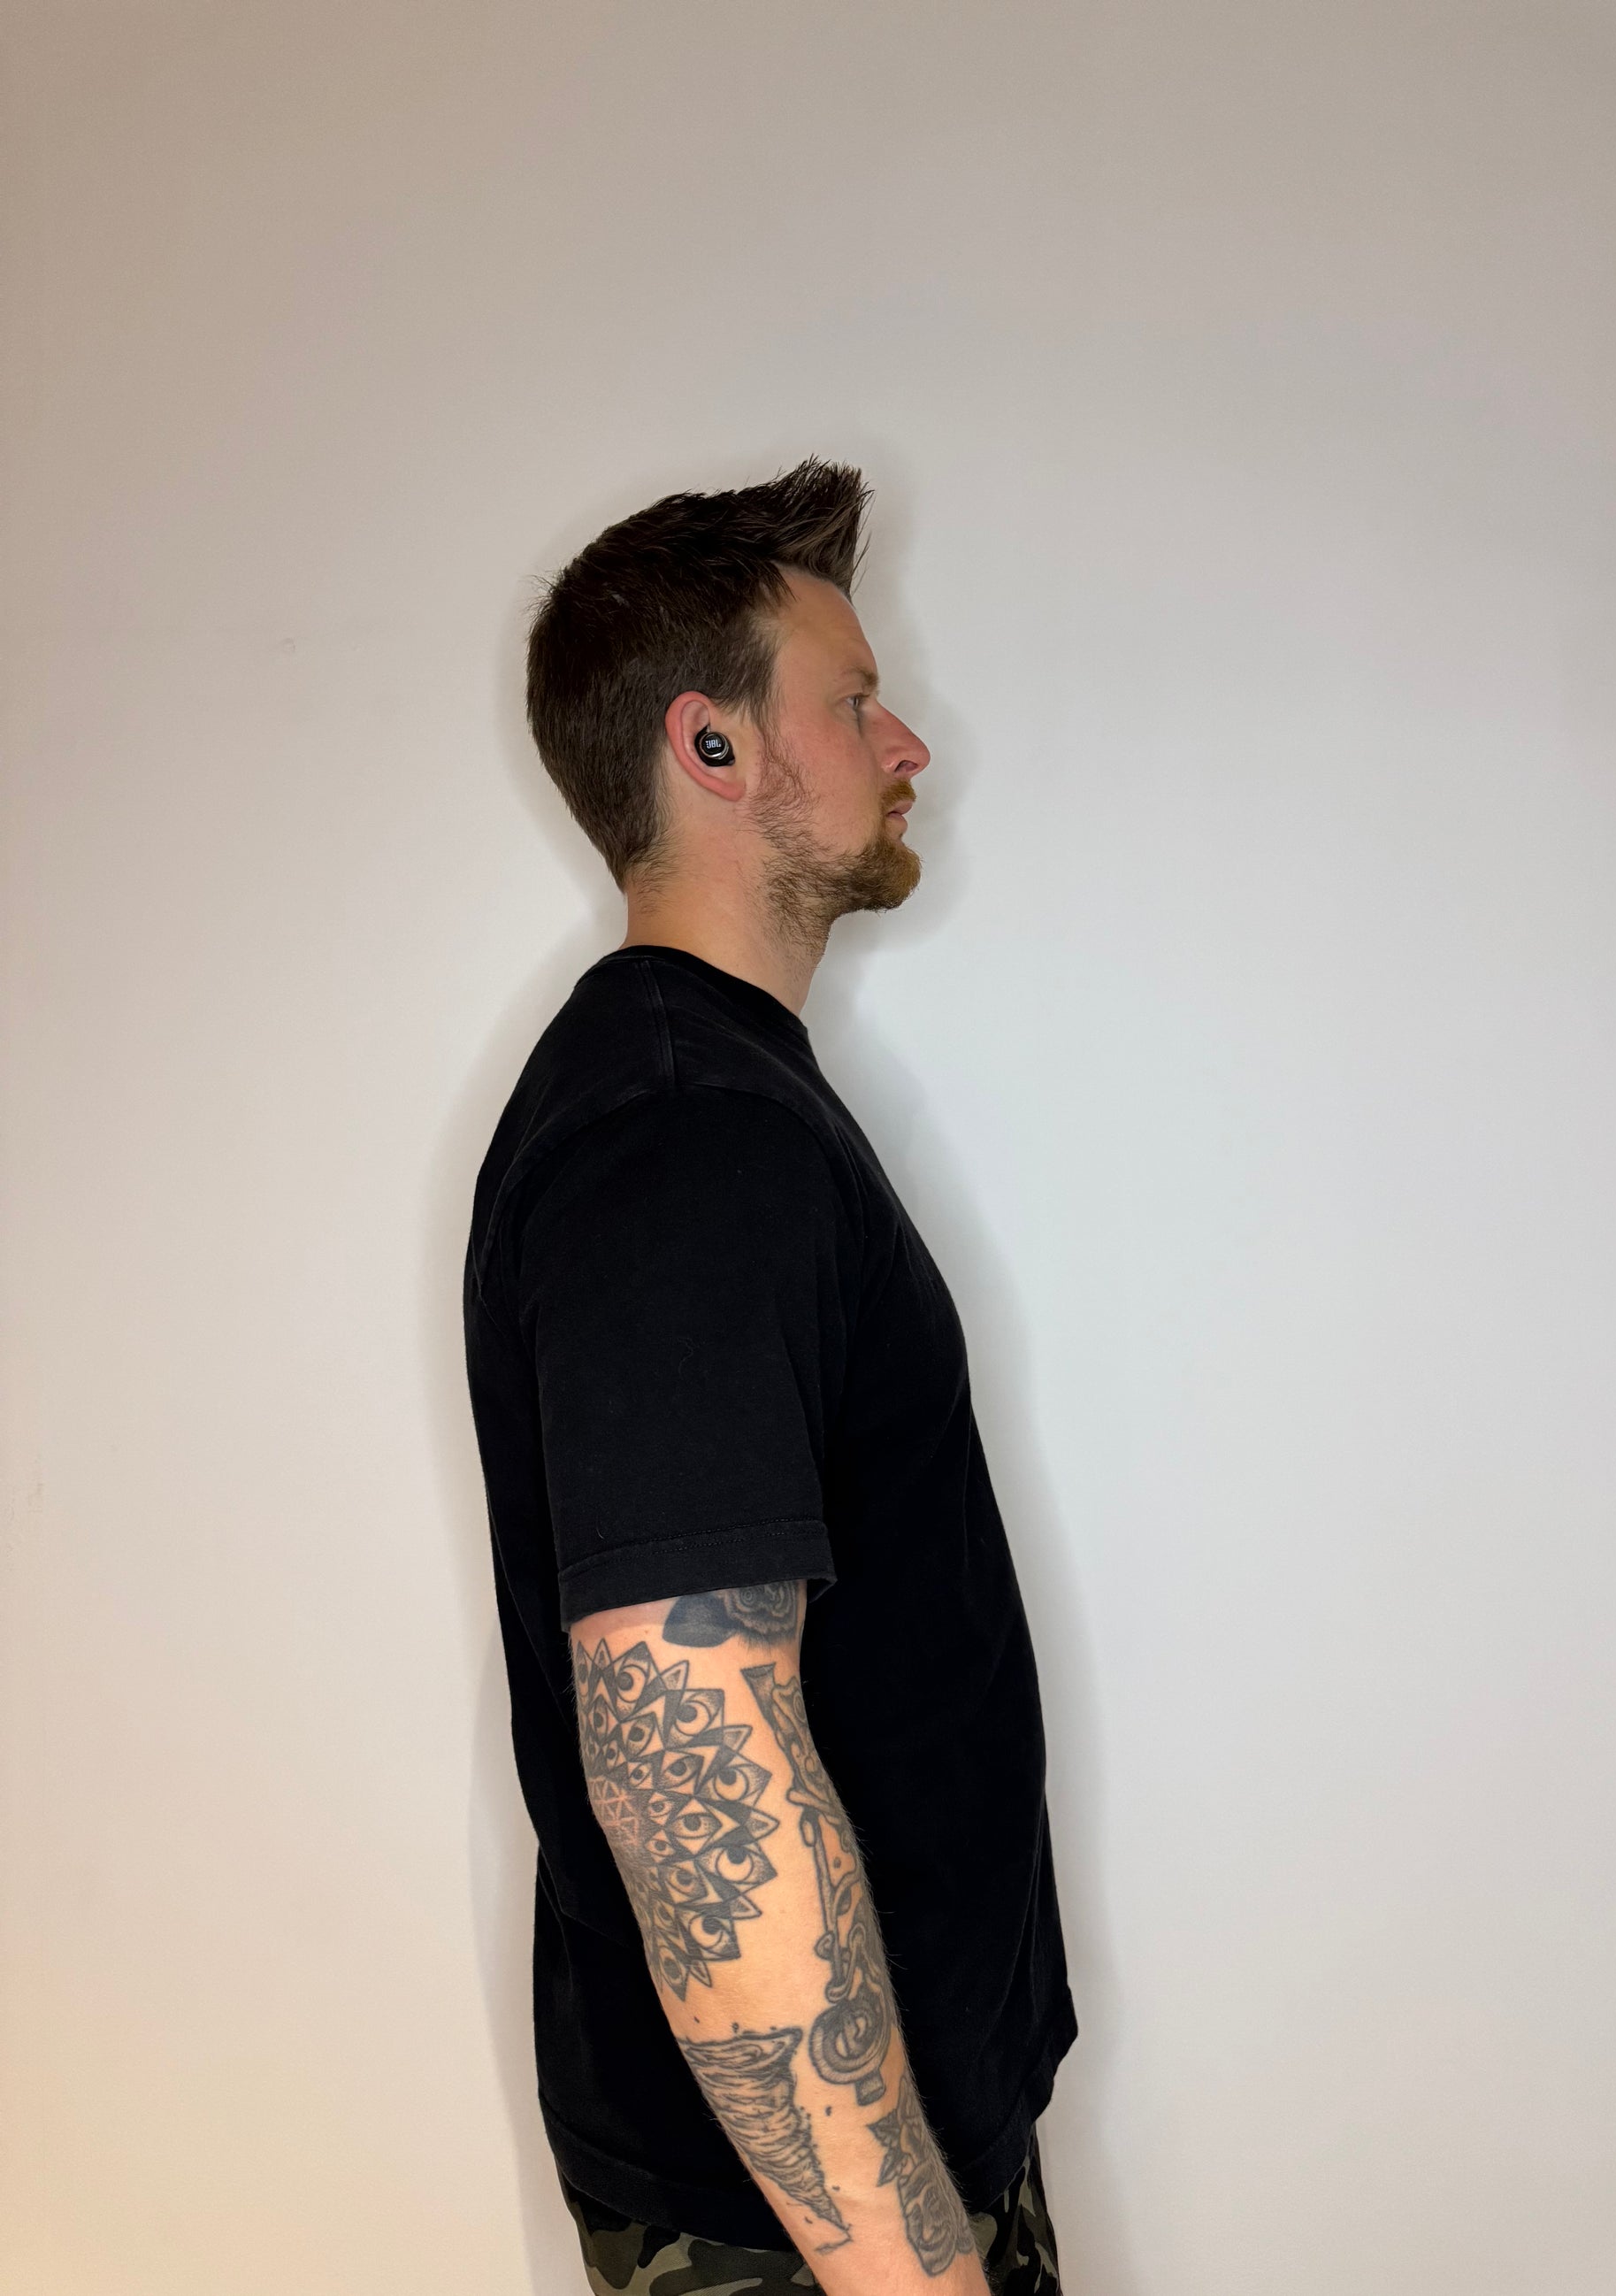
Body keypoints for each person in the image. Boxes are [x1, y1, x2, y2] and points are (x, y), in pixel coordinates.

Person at [463, 460, 1075, 2294]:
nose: (907, 745)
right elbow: (689, 1771)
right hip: (812, 2225)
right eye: (854, 698)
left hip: (865, 2165)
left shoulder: (716, 1095)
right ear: (710, 746)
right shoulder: (682, 1144)